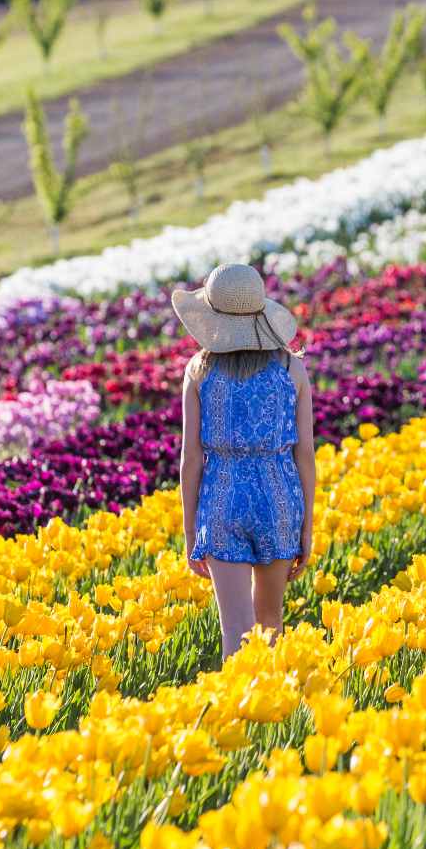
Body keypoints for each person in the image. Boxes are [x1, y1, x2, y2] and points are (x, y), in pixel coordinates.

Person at [173, 262, 316, 659]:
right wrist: (307, 526)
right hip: (279, 500)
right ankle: (273, 710)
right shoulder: (292, 368)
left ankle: (237, 713)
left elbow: (191, 459)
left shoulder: (199, 370)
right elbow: (304, 452)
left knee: (235, 632)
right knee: (270, 622)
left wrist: (190, 534)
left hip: (222, 502)